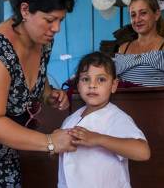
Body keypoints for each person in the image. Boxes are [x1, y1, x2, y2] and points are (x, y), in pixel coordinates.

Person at [0, 0, 81, 187]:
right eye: (50, 20)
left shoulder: (42, 41)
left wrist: (48, 93)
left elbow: (26, 84)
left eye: (61, 20)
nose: (57, 29)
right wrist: (50, 141)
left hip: (8, 155)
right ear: (25, 10)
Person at [58, 52, 150, 188]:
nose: (92, 85)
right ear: (77, 85)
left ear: (113, 85)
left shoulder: (116, 117)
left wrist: (98, 139)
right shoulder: (71, 119)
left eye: (101, 79)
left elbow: (143, 152)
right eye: (85, 79)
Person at [114, 0, 164, 86]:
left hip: (156, 100)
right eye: (133, 15)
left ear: (156, 15)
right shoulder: (123, 48)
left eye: (143, 13)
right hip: (124, 100)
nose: (137, 20)